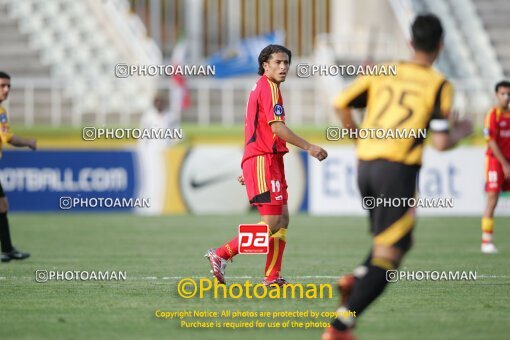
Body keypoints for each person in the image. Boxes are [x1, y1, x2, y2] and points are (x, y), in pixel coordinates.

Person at [322, 14, 473, 340]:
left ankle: (358, 278)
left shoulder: (382, 70)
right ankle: (340, 327)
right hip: (397, 171)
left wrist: (358, 138)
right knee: (392, 253)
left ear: (410, 43)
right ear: (441, 46)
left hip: (365, 168)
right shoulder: (439, 85)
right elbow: (442, 142)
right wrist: (464, 129)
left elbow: (340, 102)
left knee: (391, 243)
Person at [205, 44, 328, 286]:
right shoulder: (268, 87)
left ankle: (272, 276)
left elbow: (256, 127)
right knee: (271, 222)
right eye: (278, 63)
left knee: (282, 219)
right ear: (265, 65)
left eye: (286, 63)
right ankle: (220, 254)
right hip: (263, 159)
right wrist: (309, 147)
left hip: (267, 160)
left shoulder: (264, 88)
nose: (283, 67)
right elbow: (277, 128)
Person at [0, 71, 37, 263]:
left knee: (2, 204)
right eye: (2, 86)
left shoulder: (1, 112)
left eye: (8, 86)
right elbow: (9, 138)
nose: (6, 90)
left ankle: (7, 249)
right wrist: (28, 142)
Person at [137, 94, 179, 215]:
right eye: (157, 102)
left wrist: (172, 144)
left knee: (164, 180)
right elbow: (142, 135)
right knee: (150, 179)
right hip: (150, 152)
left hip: (165, 152)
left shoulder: (170, 116)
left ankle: (162, 207)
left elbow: (176, 133)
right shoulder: (148, 117)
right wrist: (142, 150)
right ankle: (149, 208)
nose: (159, 104)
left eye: (161, 102)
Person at [481, 80, 510, 254]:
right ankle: (486, 240)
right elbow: (490, 141)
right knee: (492, 197)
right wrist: (505, 164)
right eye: (503, 94)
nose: (507, 97)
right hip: (495, 161)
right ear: (496, 95)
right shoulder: (493, 114)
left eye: (509, 94)